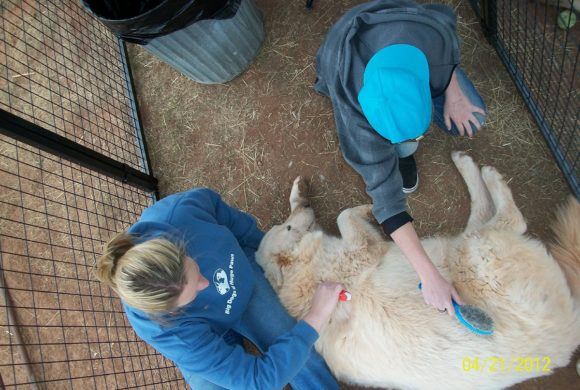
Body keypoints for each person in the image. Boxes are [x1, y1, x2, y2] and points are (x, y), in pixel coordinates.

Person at [314, 0, 487, 315]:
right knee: (387, 153)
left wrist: (453, 91)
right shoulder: (353, 111)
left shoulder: (433, 34)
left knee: (475, 114)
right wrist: (429, 274)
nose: (421, 140)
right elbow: (386, 200)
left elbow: (447, 26)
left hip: (399, 41)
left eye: (417, 136)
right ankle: (402, 152)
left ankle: (405, 143)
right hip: (346, 54)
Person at [94, 188, 342, 390]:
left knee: (303, 356)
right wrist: (316, 316)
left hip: (243, 286)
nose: (206, 284)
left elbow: (231, 220)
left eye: (197, 272)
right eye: (192, 293)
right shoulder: (165, 330)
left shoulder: (181, 212)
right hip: (202, 331)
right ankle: (228, 338)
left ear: (180, 247)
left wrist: (269, 252)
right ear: (168, 312)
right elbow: (257, 381)